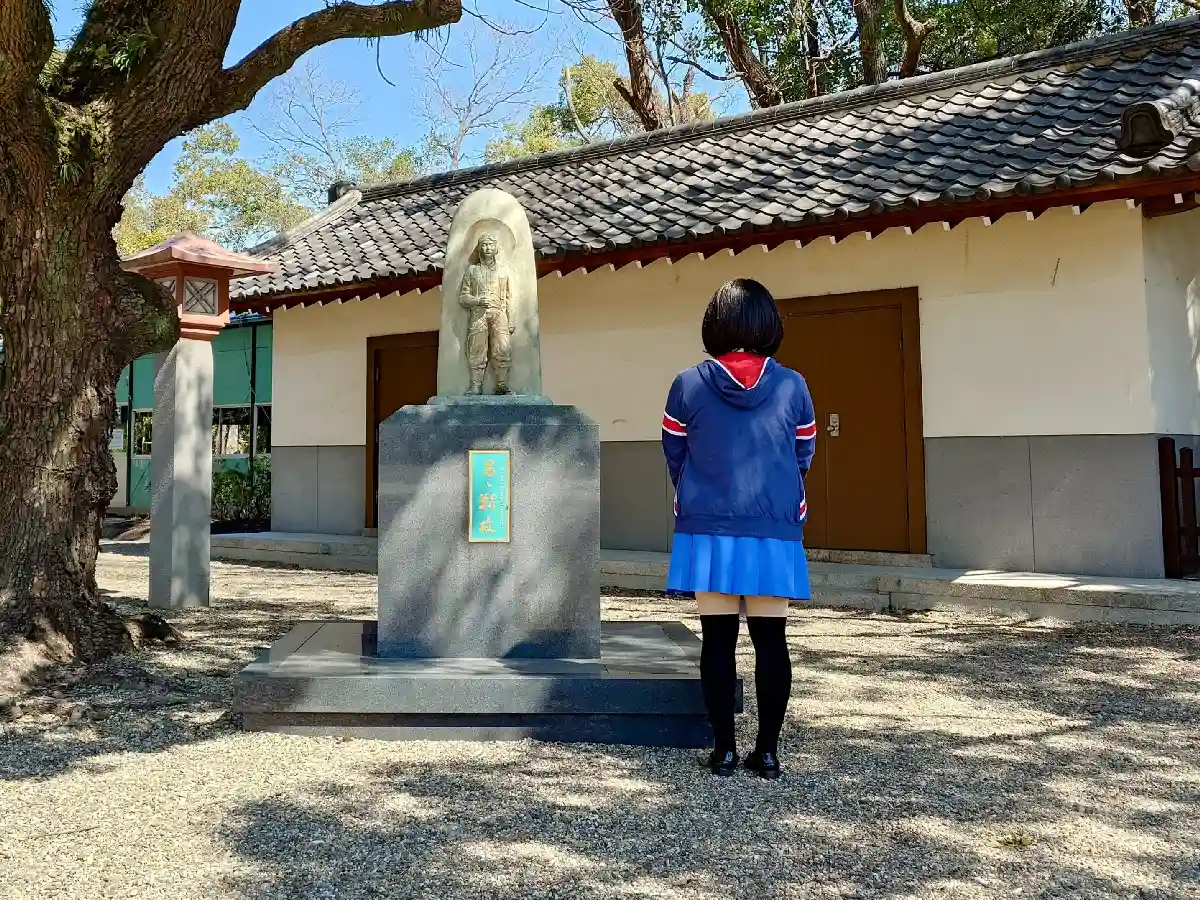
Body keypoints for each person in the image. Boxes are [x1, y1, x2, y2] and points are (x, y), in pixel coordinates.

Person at [661, 278, 816, 779]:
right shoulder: (792, 385)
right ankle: (767, 753)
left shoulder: (687, 384)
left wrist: (699, 490)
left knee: (717, 640)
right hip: (773, 527)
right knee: (771, 641)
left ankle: (724, 750)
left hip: (708, 526)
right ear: (769, 324)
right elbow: (803, 452)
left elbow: (674, 451)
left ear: (715, 323)